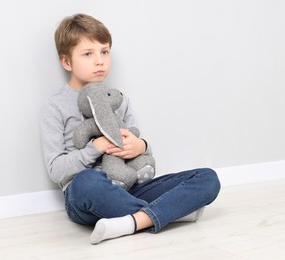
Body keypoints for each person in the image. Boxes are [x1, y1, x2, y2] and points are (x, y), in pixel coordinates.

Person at [40, 13, 221, 245]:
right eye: (88, 54)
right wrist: (95, 148)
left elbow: (139, 148)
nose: (100, 61)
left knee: (208, 178)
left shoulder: (118, 99)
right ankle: (170, 213)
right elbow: (56, 170)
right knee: (87, 181)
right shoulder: (54, 107)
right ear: (66, 62)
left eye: (105, 51)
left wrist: (141, 146)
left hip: (131, 187)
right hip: (88, 195)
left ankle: (129, 223)